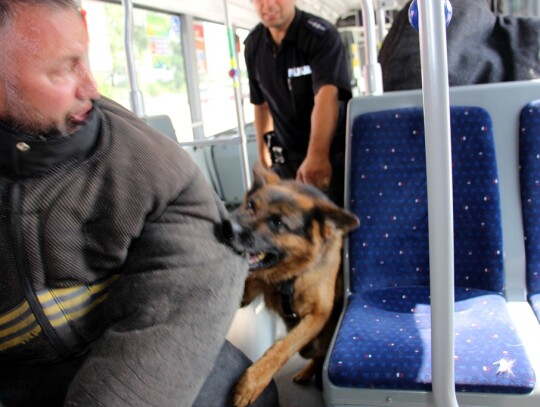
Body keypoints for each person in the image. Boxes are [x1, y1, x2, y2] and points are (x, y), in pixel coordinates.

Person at [0, 1, 278, 406]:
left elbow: (184, 300)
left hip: (139, 364)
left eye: (84, 60)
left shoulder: (153, 169)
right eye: (63, 69)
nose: (90, 87)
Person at [244, 0, 352, 206]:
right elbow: (261, 104)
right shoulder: (253, 45)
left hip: (329, 155)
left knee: (331, 227)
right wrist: (263, 155)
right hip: (286, 160)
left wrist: (317, 155)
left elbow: (327, 95)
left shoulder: (321, 37)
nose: (268, 5)